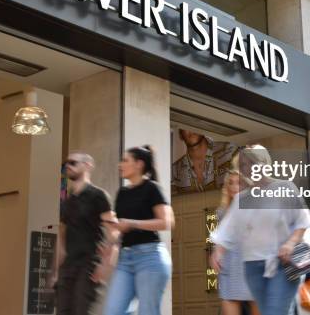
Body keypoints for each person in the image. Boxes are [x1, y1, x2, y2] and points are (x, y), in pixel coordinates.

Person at [210, 145, 310, 315]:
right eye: (243, 165)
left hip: (283, 263)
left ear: (265, 163)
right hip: (253, 267)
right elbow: (226, 231)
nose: (248, 169)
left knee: (274, 311)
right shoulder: (242, 200)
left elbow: (303, 222)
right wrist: (218, 252)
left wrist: (290, 243)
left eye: (253, 163)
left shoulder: (285, 188)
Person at [103, 146, 174, 315]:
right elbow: (120, 230)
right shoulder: (122, 193)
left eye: (125, 160)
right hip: (125, 259)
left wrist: (133, 223)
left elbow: (167, 222)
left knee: (148, 312)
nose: (120, 164)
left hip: (150, 257)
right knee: (112, 311)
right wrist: (110, 234)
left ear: (139, 164)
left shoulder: (152, 188)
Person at [53, 152, 116, 315]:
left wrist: (105, 265)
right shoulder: (67, 202)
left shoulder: (99, 196)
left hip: (89, 264)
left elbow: (113, 232)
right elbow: (62, 236)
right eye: (66, 163)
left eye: (73, 162)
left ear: (88, 165)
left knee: (81, 311)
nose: (68, 166)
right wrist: (56, 271)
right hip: (68, 267)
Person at [216, 170, 260, 315]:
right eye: (231, 183)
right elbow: (221, 240)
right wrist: (217, 254)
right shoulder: (222, 213)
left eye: (239, 183)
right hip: (229, 270)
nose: (234, 187)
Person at [172, 129, 239, 193]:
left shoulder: (230, 151)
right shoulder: (175, 171)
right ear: (180, 135)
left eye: (195, 122)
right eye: (185, 125)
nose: (191, 128)